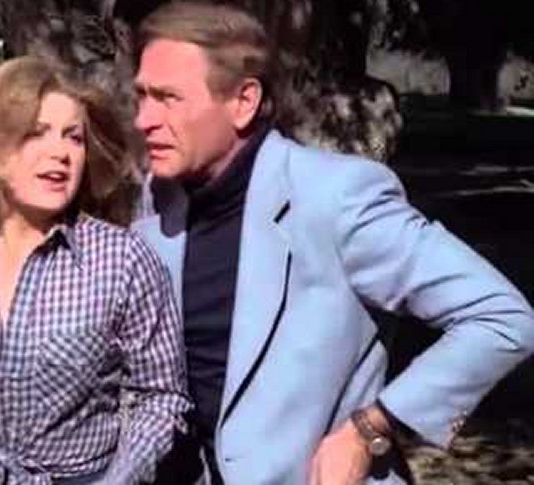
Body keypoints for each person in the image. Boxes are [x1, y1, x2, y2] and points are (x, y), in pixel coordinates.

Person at [130, 2, 534, 484]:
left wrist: (370, 429)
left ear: (244, 101)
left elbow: (502, 317)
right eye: (142, 96)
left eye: (168, 98)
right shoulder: (156, 201)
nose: (143, 120)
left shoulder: (337, 198)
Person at [0, 56, 191, 484]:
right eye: (35, 133)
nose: (60, 153)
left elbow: (160, 398)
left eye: (73, 137)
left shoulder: (123, 260)